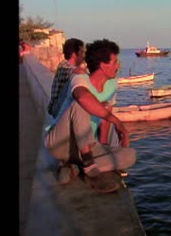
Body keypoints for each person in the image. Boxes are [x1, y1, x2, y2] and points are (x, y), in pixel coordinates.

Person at [43, 38, 135, 193]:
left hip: (88, 144)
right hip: (61, 142)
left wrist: (104, 145)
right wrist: (118, 122)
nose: (118, 66)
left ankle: (77, 168)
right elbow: (82, 98)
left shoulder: (112, 85)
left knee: (130, 155)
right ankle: (87, 163)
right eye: (114, 62)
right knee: (81, 104)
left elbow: (105, 121)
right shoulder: (79, 78)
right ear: (102, 65)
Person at [47, 38, 87, 119]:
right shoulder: (65, 66)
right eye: (82, 52)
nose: (84, 56)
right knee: (77, 78)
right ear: (73, 54)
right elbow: (79, 72)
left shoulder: (66, 65)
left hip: (59, 106)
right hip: (57, 108)